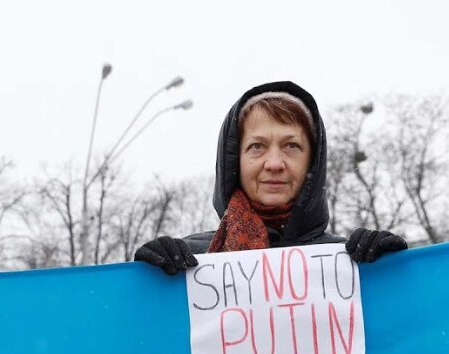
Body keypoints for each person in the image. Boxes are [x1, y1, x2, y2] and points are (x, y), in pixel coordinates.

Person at [134, 81, 406, 273]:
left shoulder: (349, 265)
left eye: (291, 146)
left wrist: (391, 277)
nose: (274, 163)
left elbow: (400, 331)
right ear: (235, 162)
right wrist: (147, 286)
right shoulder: (188, 262)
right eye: (257, 146)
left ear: (312, 162)